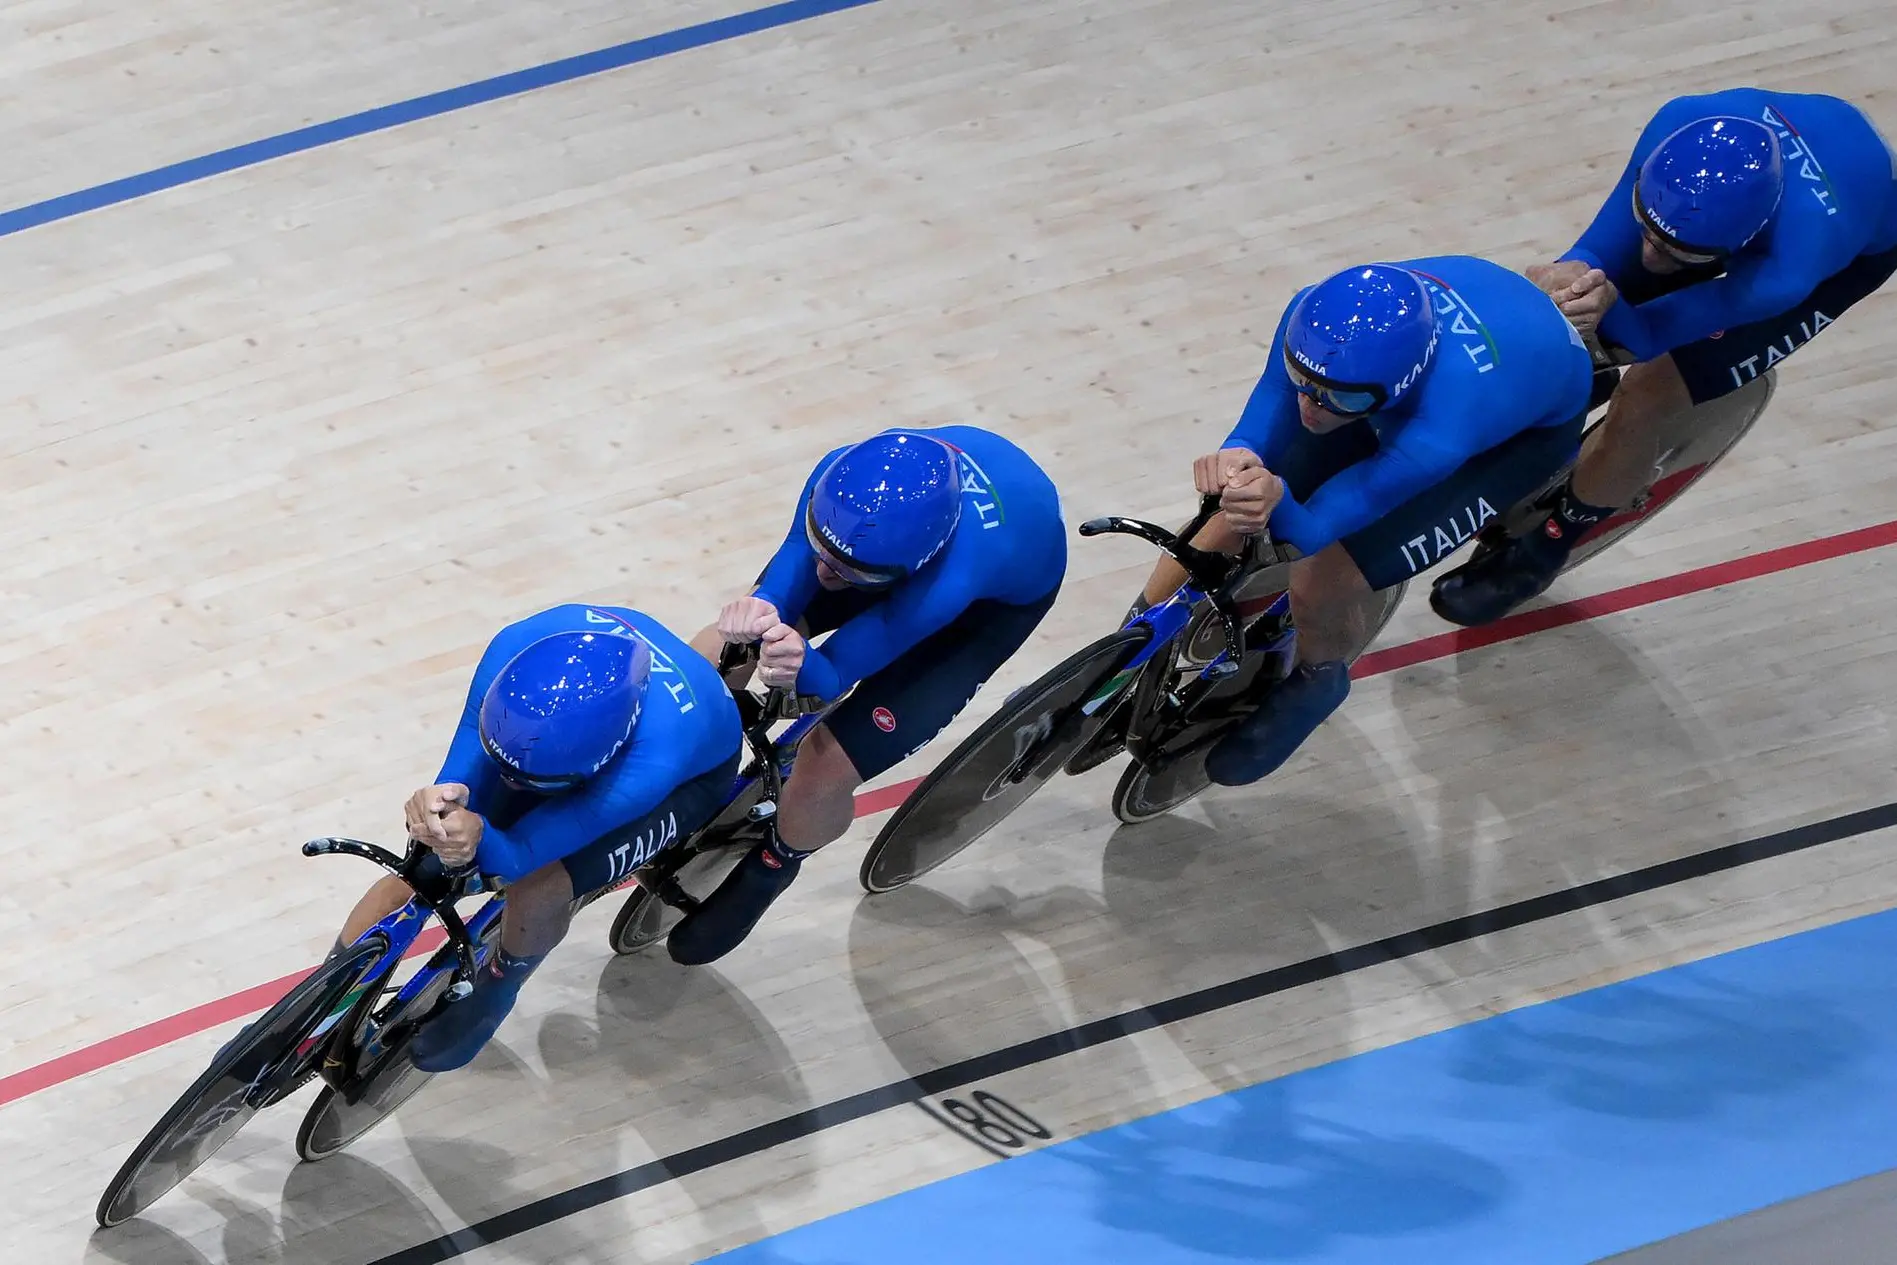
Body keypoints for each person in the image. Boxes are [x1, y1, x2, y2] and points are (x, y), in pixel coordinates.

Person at [1432, 89, 1897, 624]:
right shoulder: (1679, 122)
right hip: (1757, 182)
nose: (1651, 256)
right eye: (1648, 230)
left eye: (1676, 252)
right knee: (1565, 310)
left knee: (1652, 393)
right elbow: (1595, 254)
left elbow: (1653, 333)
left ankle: (1548, 548)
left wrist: (1614, 314)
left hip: (1851, 249)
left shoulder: (1788, 268)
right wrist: (1572, 280)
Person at [1154, 258, 1595, 786]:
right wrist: (1238, 458)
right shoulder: (1312, 325)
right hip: (1416, 375)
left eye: (1338, 396)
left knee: (1323, 575)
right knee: (1232, 513)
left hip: (1513, 439)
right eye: (1303, 378)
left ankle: (1320, 678)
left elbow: (1313, 530)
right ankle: (1131, 640)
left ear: (1400, 384)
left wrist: (1275, 498)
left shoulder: (1443, 428)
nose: (1311, 408)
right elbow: (1266, 419)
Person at [666, 427, 1067, 964]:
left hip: (983, 609)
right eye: (822, 548)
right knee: (720, 650)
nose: (824, 572)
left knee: (825, 765)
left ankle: (774, 866)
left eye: (846, 569)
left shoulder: (952, 575)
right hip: (885, 549)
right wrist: (760, 609)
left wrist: (802, 662)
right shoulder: (841, 477)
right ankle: (672, 764)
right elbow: (790, 574)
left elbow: (835, 676)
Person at [331, 604, 743, 1072]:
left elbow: (522, 855)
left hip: (694, 778)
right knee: (426, 864)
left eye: (531, 783)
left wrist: (481, 837)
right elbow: (465, 755)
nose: (511, 788)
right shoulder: (514, 646)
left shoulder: (650, 764)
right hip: (547, 739)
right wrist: (441, 810)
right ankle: (325, 995)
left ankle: (500, 986)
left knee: (542, 882)